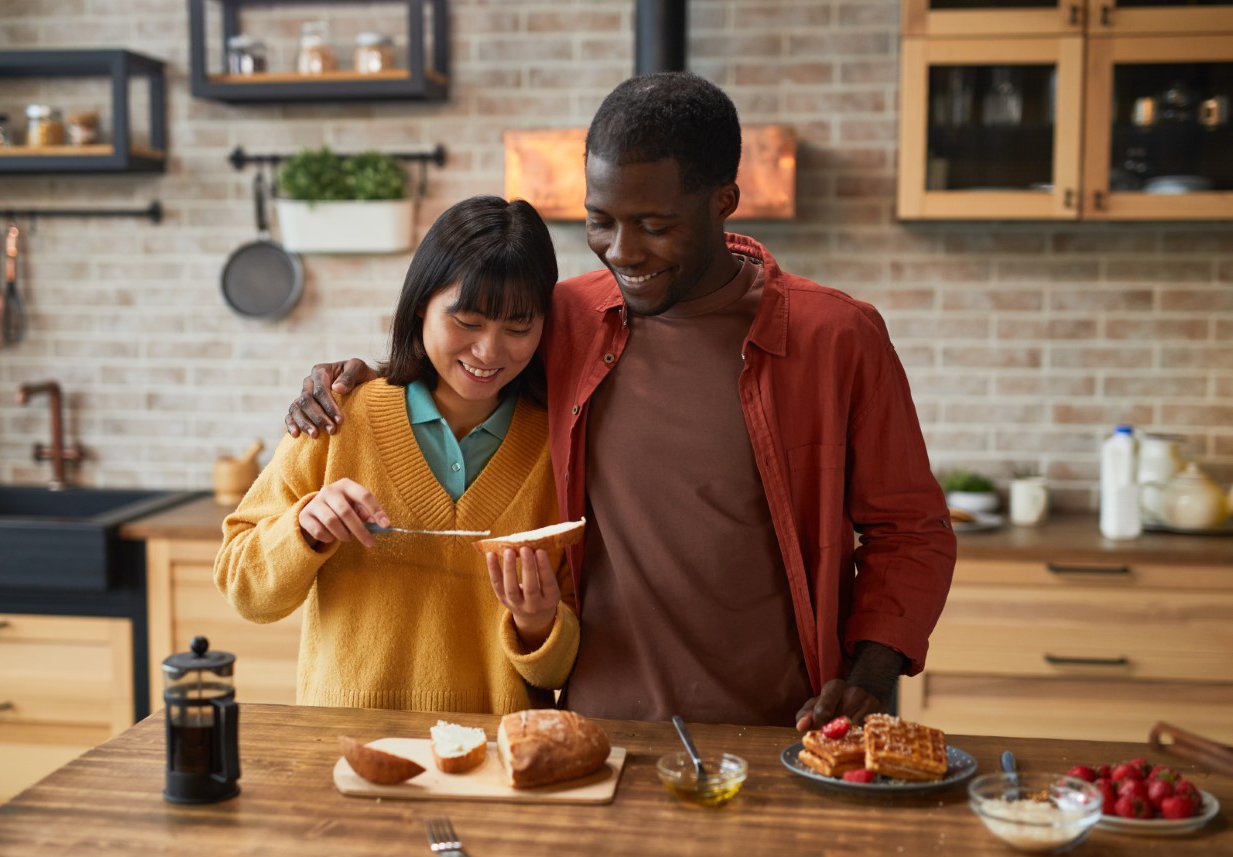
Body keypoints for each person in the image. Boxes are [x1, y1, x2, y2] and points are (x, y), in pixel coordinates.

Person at [283, 73, 956, 730]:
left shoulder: (836, 336)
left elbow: (912, 531)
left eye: (654, 225)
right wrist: (365, 374)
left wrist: (871, 672)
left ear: (724, 201)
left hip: (782, 725)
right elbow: (476, 357)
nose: (623, 251)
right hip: (595, 727)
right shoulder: (570, 315)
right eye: (599, 221)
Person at [215, 195, 579, 715]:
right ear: (419, 306)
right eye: (468, 321)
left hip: (496, 765)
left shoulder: (559, 448)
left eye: (519, 328)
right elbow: (243, 589)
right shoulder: (339, 418)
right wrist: (304, 529)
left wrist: (539, 622)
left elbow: (559, 671)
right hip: (345, 750)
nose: (490, 352)